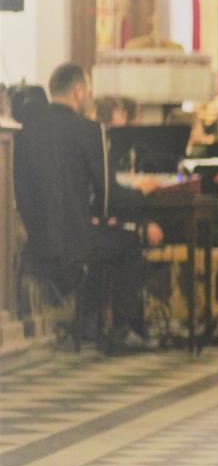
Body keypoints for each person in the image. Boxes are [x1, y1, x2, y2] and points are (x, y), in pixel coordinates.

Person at [39, 64, 163, 345]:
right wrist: (140, 192)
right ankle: (122, 328)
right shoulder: (88, 131)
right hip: (76, 238)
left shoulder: (29, 129)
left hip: (39, 235)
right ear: (78, 91)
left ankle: (89, 321)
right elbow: (109, 198)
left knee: (104, 237)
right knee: (128, 241)